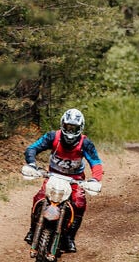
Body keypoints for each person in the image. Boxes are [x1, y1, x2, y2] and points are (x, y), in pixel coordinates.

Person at [23, 108, 103, 253]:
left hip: (75, 179)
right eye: (68, 127)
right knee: (39, 198)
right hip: (53, 175)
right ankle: (33, 229)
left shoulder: (85, 143)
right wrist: (32, 164)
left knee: (79, 203)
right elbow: (32, 148)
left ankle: (69, 238)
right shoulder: (53, 137)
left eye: (75, 128)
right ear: (62, 124)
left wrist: (95, 179)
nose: (71, 131)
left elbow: (96, 162)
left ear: (80, 128)